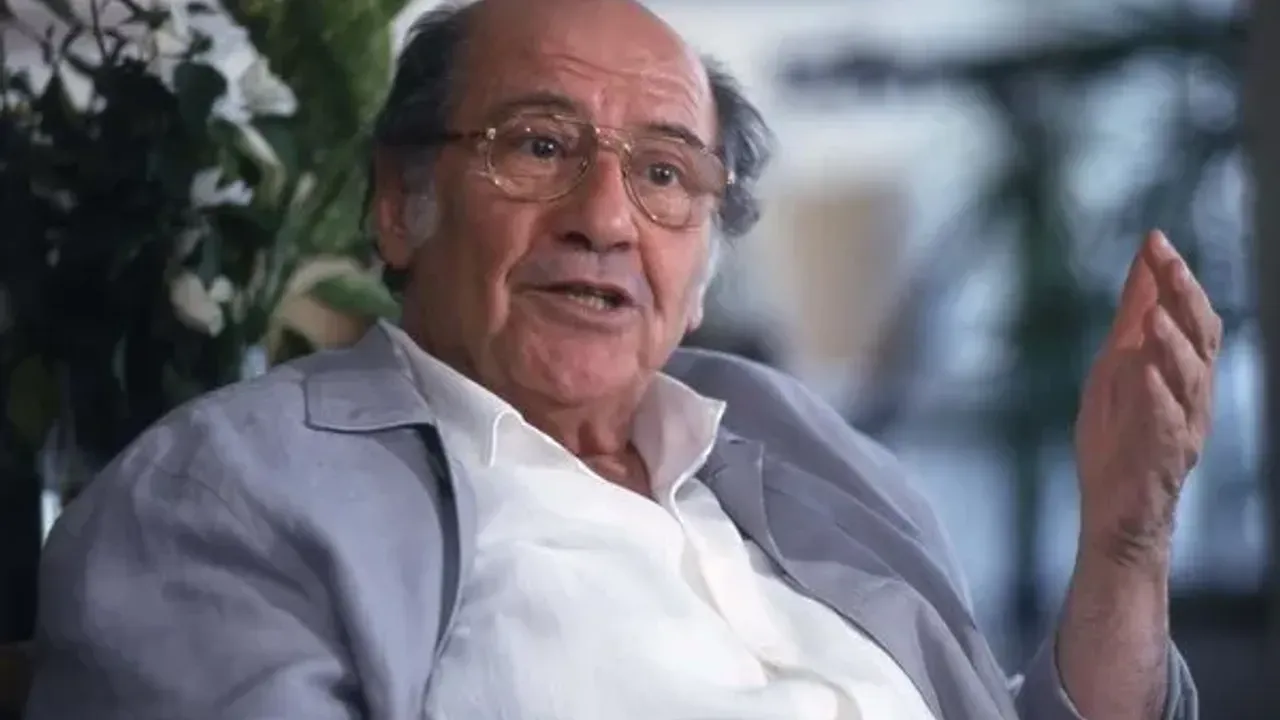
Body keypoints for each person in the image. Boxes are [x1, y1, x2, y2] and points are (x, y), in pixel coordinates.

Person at [24, 0, 1218, 718]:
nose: (603, 217)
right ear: (399, 204)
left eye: (661, 173)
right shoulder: (224, 492)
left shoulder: (801, 447)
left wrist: (1124, 540)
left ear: (700, 270)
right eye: (538, 145)